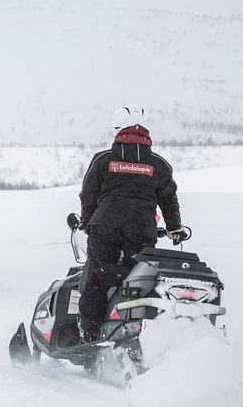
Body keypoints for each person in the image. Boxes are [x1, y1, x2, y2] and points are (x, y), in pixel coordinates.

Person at [77, 104, 184, 341]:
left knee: (96, 279)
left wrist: (87, 222)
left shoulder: (104, 160)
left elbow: (88, 195)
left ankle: (90, 334)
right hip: (142, 232)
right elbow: (169, 199)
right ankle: (135, 332)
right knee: (139, 281)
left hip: (105, 229)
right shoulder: (158, 164)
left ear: (116, 129)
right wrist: (174, 228)